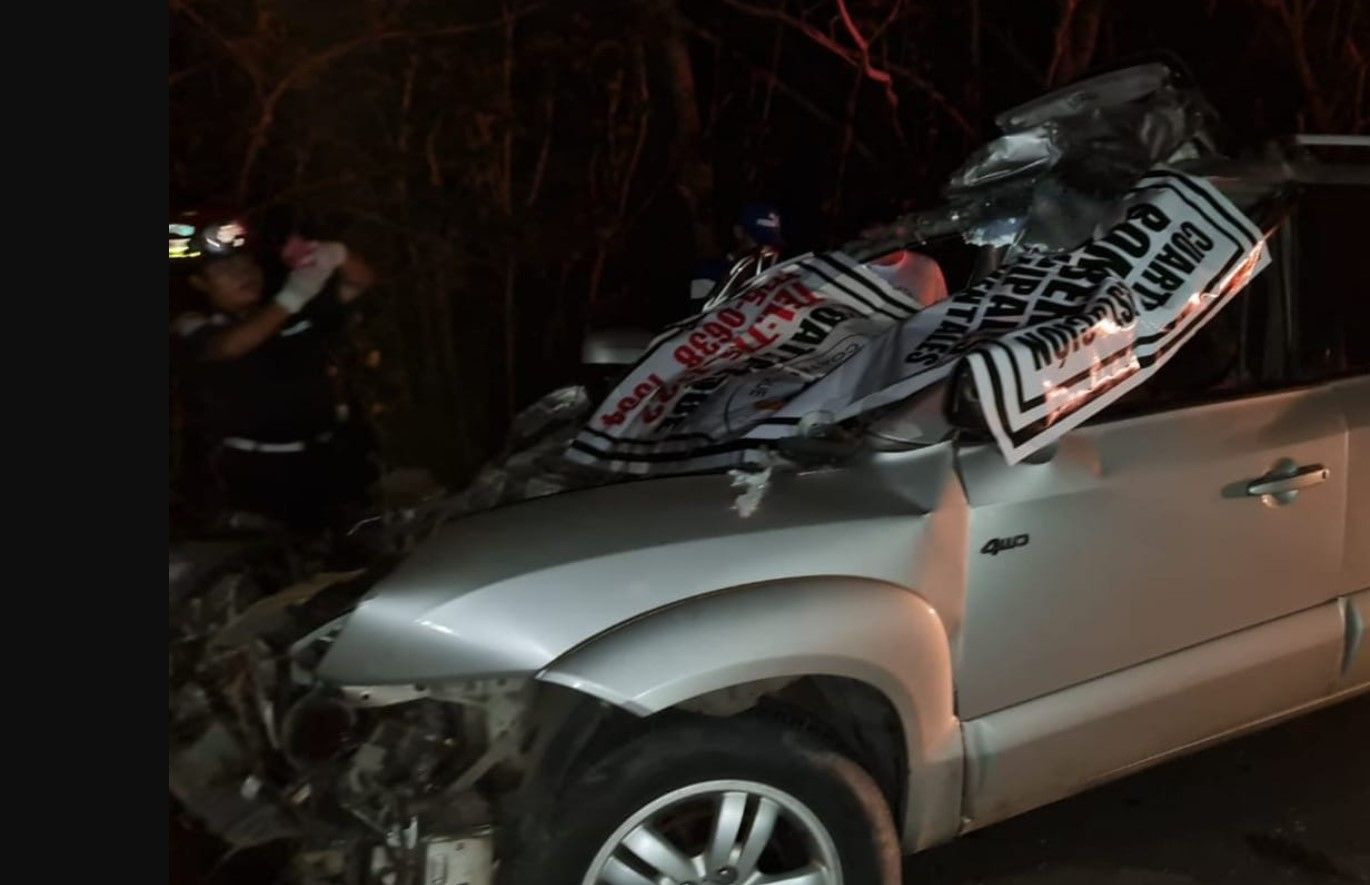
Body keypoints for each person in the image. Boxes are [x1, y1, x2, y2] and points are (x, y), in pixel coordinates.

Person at [170, 210, 378, 532]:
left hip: (328, 461)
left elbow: (359, 281)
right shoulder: (192, 326)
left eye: (246, 264)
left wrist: (334, 253)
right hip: (255, 478)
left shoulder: (289, 312)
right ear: (199, 283)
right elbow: (231, 346)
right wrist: (295, 294)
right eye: (225, 268)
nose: (243, 273)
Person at [686, 201, 786, 311]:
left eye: (771, 244)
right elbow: (698, 318)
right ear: (738, 232)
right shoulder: (708, 271)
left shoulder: (778, 275)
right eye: (757, 242)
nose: (764, 250)